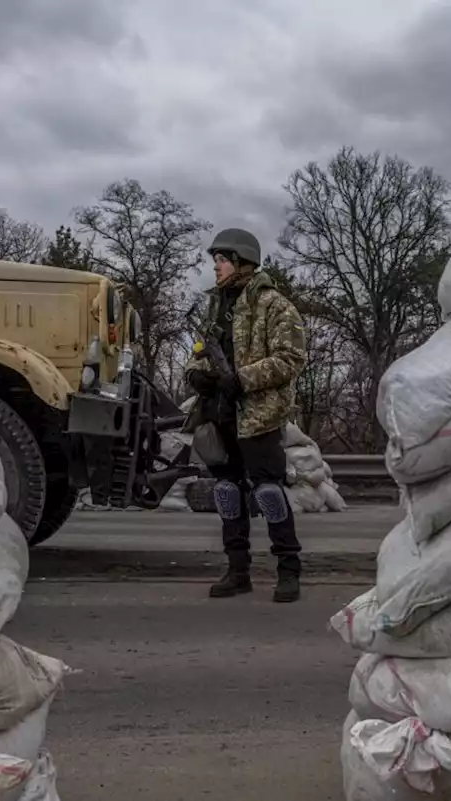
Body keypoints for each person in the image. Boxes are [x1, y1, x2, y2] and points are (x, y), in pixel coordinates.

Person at [184, 228, 307, 602]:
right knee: (227, 493)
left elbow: (291, 359)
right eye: (216, 261)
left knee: (269, 493)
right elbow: (200, 349)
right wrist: (195, 374)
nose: (215, 267)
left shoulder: (274, 305)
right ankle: (238, 572)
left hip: (258, 416)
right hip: (220, 414)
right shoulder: (214, 305)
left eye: (220, 260)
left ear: (240, 261)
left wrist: (242, 379)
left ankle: (289, 572)